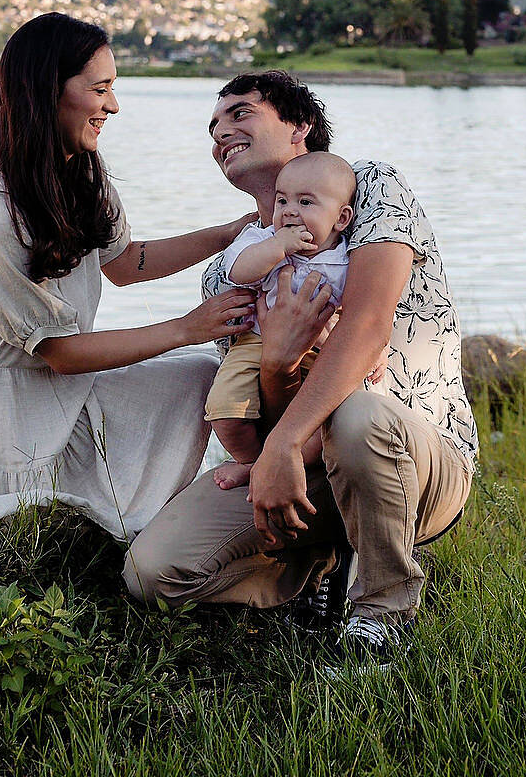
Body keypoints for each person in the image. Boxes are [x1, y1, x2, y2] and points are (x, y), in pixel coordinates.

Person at [0, 13, 255, 553]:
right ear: (47, 90)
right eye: (101, 89)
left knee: (202, 376)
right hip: (10, 404)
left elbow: (126, 262)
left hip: (65, 384)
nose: (113, 106)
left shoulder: (81, 168)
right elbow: (58, 352)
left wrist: (228, 233)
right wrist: (188, 327)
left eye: (114, 89)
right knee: (194, 359)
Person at [123, 70, 477, 662]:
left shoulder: (372, 191)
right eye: (213, 125)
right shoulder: (229, 270)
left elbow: (366, 331)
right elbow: (256, 400)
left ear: (300, 129)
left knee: (360, 415)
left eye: (240, 113)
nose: (220, 132)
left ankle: (382, 614)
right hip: (298, 464)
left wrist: (282, 445)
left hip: (415, 461)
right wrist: (279, 367)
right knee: (155, 575)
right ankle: (314, 578)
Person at [205, 151, 364, 491]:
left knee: (329, 427)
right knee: (224, 411)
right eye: (282, 201)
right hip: (257, 343)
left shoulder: (348, 258)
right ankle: (252, 460)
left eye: (306, 202)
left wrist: (375, 352)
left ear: (341, 218)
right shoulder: (262, 240)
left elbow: (364, 311)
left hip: (325, 352)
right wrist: (279, 245)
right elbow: (238, 272)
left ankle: (288, 462)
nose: (289, 210)